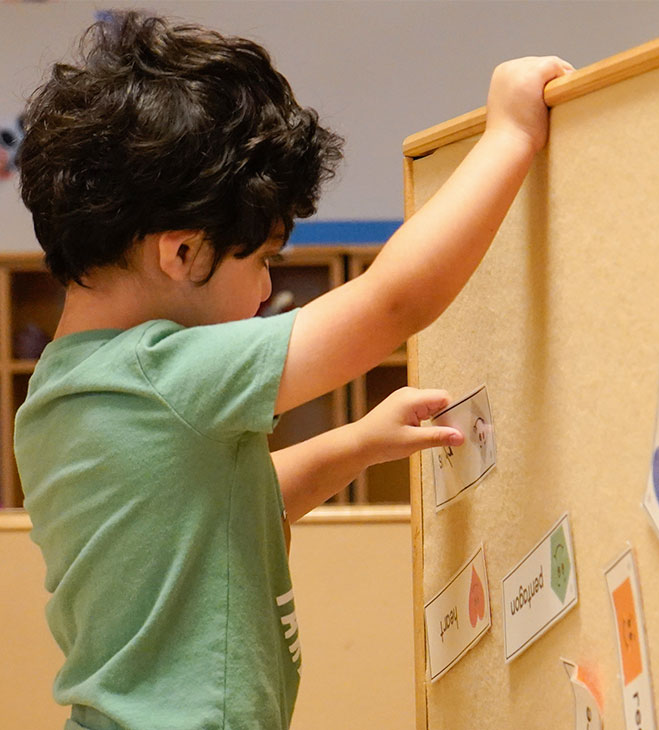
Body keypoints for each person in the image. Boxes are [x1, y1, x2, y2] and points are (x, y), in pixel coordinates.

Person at [14, 10, 572, 730]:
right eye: (263, 262)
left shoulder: (66, 394)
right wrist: (512, 136)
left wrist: (360, 442)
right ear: (181, 253)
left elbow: (233, 505)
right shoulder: (163, 373)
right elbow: (391, 303)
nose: (262, 293)